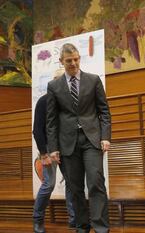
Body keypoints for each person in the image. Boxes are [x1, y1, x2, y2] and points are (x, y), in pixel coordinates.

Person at [46, 43, 111, 233]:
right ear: (61, 62)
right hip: (67, 144)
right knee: (75, 189)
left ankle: (100, 228)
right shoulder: (54, 86)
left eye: (76, 59)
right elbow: (51, 121)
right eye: (69, 61)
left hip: (92, 140)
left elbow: (104, 112)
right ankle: (82, 227)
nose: (73, 63)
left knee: (96, 183)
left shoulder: (93, 80)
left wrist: (105, 136)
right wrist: (53, 148)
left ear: (79, 58)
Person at [33, 93, 75, 233]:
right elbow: (37, 129)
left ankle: (73, 219)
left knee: (71, 181)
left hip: (66, 145)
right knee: (49, 184)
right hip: (49, 147)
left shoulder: (69, 100)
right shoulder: (43, 101)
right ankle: (38, 219)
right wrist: (44, 154)